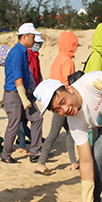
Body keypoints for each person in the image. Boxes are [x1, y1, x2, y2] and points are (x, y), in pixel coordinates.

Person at [34, 72, 102, 202]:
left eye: (63, 101)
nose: (65, 109)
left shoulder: (90, 83)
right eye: (58, 110)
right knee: (97, 155)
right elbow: (85, 160)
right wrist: (86, 200)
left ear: (69, 89)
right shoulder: (74, 122)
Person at [35, 31, 79, 176]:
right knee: (54, 134)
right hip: (61, 101)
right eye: (75, 45)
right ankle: (41, 163)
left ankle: (73, 162)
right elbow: (68, 82)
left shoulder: (58, 58)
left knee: (71, 132)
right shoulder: (67, 60)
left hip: (55, 100)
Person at [1, 23, 43, 164]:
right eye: (32, 36)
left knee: (37, 118)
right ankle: (6, 155)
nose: (34, 40)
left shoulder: (23, 51)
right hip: (15, 93)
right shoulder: (17, 52)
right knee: (14, 124)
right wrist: (24, 98)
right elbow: (17, 77)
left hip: (22, 93)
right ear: (24, 36)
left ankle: (35, 151)